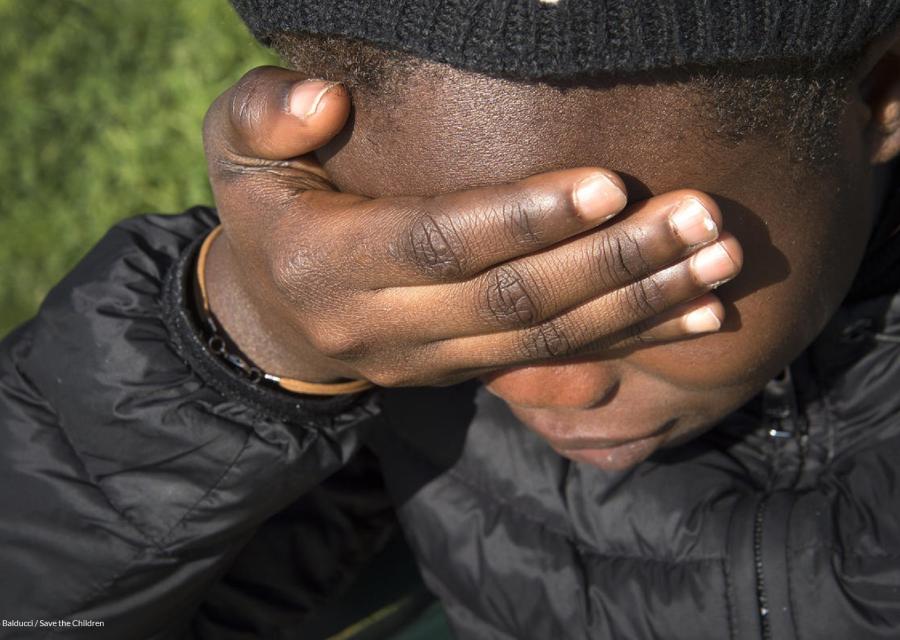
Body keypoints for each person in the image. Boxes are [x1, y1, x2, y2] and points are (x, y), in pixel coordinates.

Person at [1, 0, 900, 638]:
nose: (541, 387)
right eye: (460, 304)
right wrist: (241, 342)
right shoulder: (392, 364)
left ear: (881, 97)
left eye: (647, 294)